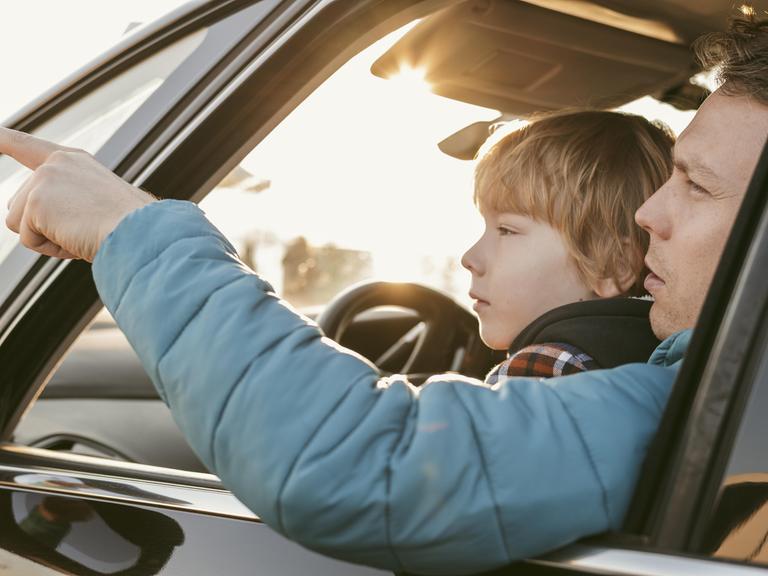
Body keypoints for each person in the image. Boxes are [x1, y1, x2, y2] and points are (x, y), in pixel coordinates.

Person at [3, 13, 768, 576]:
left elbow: (373, 464)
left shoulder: (644, 386)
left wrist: (127, 229)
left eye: (697, 185)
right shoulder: (707, 384)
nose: (649, 215)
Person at [463, 110, 673, 378]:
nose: (469, 258)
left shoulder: (543, 369)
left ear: (612, 267)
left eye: (506, 230)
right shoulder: (650, 360)